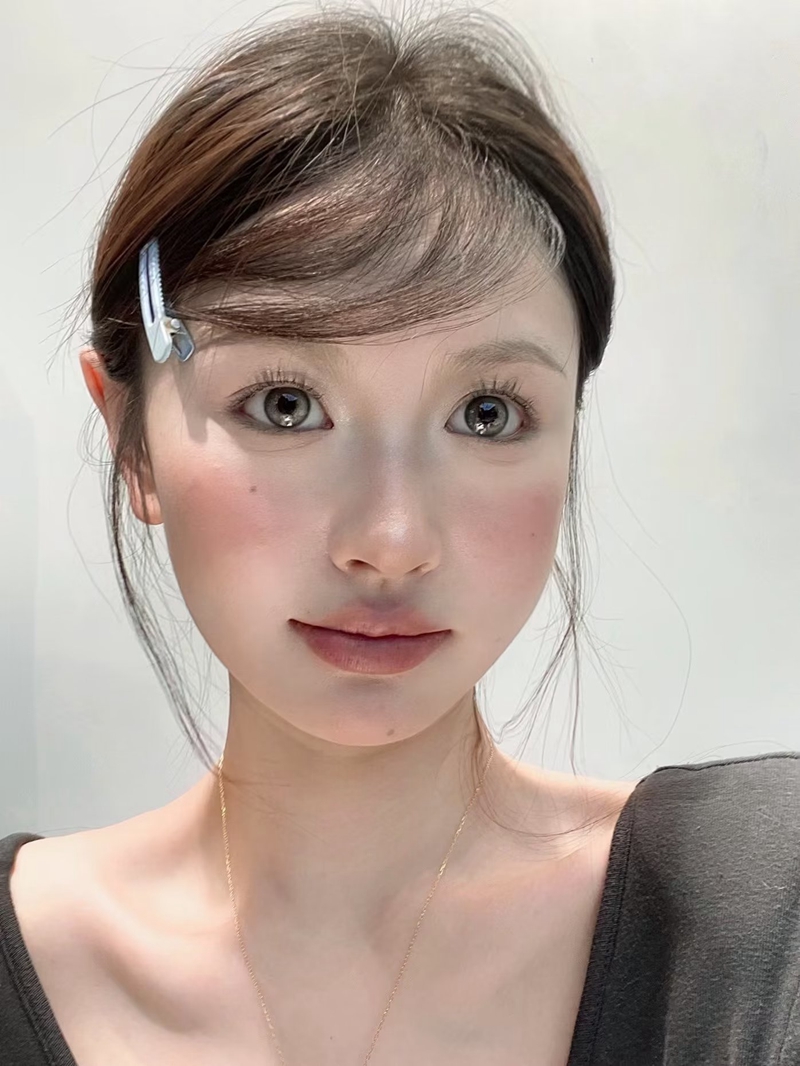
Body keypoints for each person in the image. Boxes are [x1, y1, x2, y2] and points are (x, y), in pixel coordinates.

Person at [2, 6, 799, 1065]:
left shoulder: (761, 925)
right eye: (285, 405)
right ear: (131, 440)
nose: (389, 540)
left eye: (486, 414)